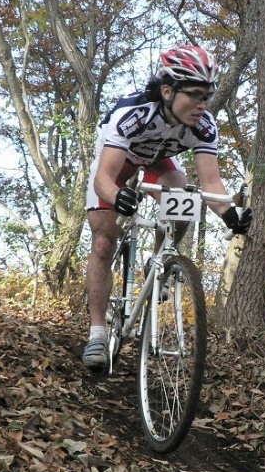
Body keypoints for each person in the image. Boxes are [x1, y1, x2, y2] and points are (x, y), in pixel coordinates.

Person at [83, 45, 253, 370]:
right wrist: (119, 196)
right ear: (167, 90)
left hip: (155, 161)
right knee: (104, 241)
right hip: (116, 164)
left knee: (180, 187)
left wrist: (230, 215)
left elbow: (212, 185)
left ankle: (159, 262)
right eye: (195, 95)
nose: (203, 105)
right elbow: (104, 178)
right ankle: (97, 333)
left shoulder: (203, 125)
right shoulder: (133, 114)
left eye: (208, 96)